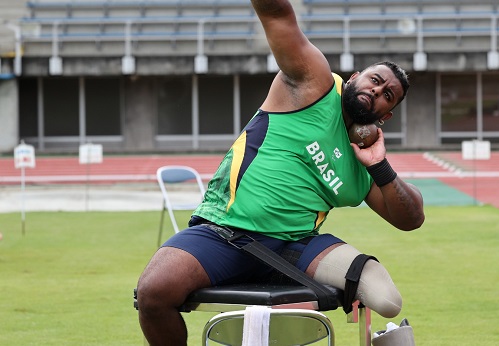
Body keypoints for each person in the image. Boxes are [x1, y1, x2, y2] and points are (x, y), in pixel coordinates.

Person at [137, 0, 425, 344]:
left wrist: (380, 165)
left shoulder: (365, 163)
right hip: (224, 232)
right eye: (375, 80)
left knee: (387, 301)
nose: (377, 91)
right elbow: (276, 14)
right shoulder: (314, 84)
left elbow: (411, 218)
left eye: (386, 95)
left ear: (385, 115)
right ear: (354, 78)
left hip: (295, 247)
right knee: (153, 292)